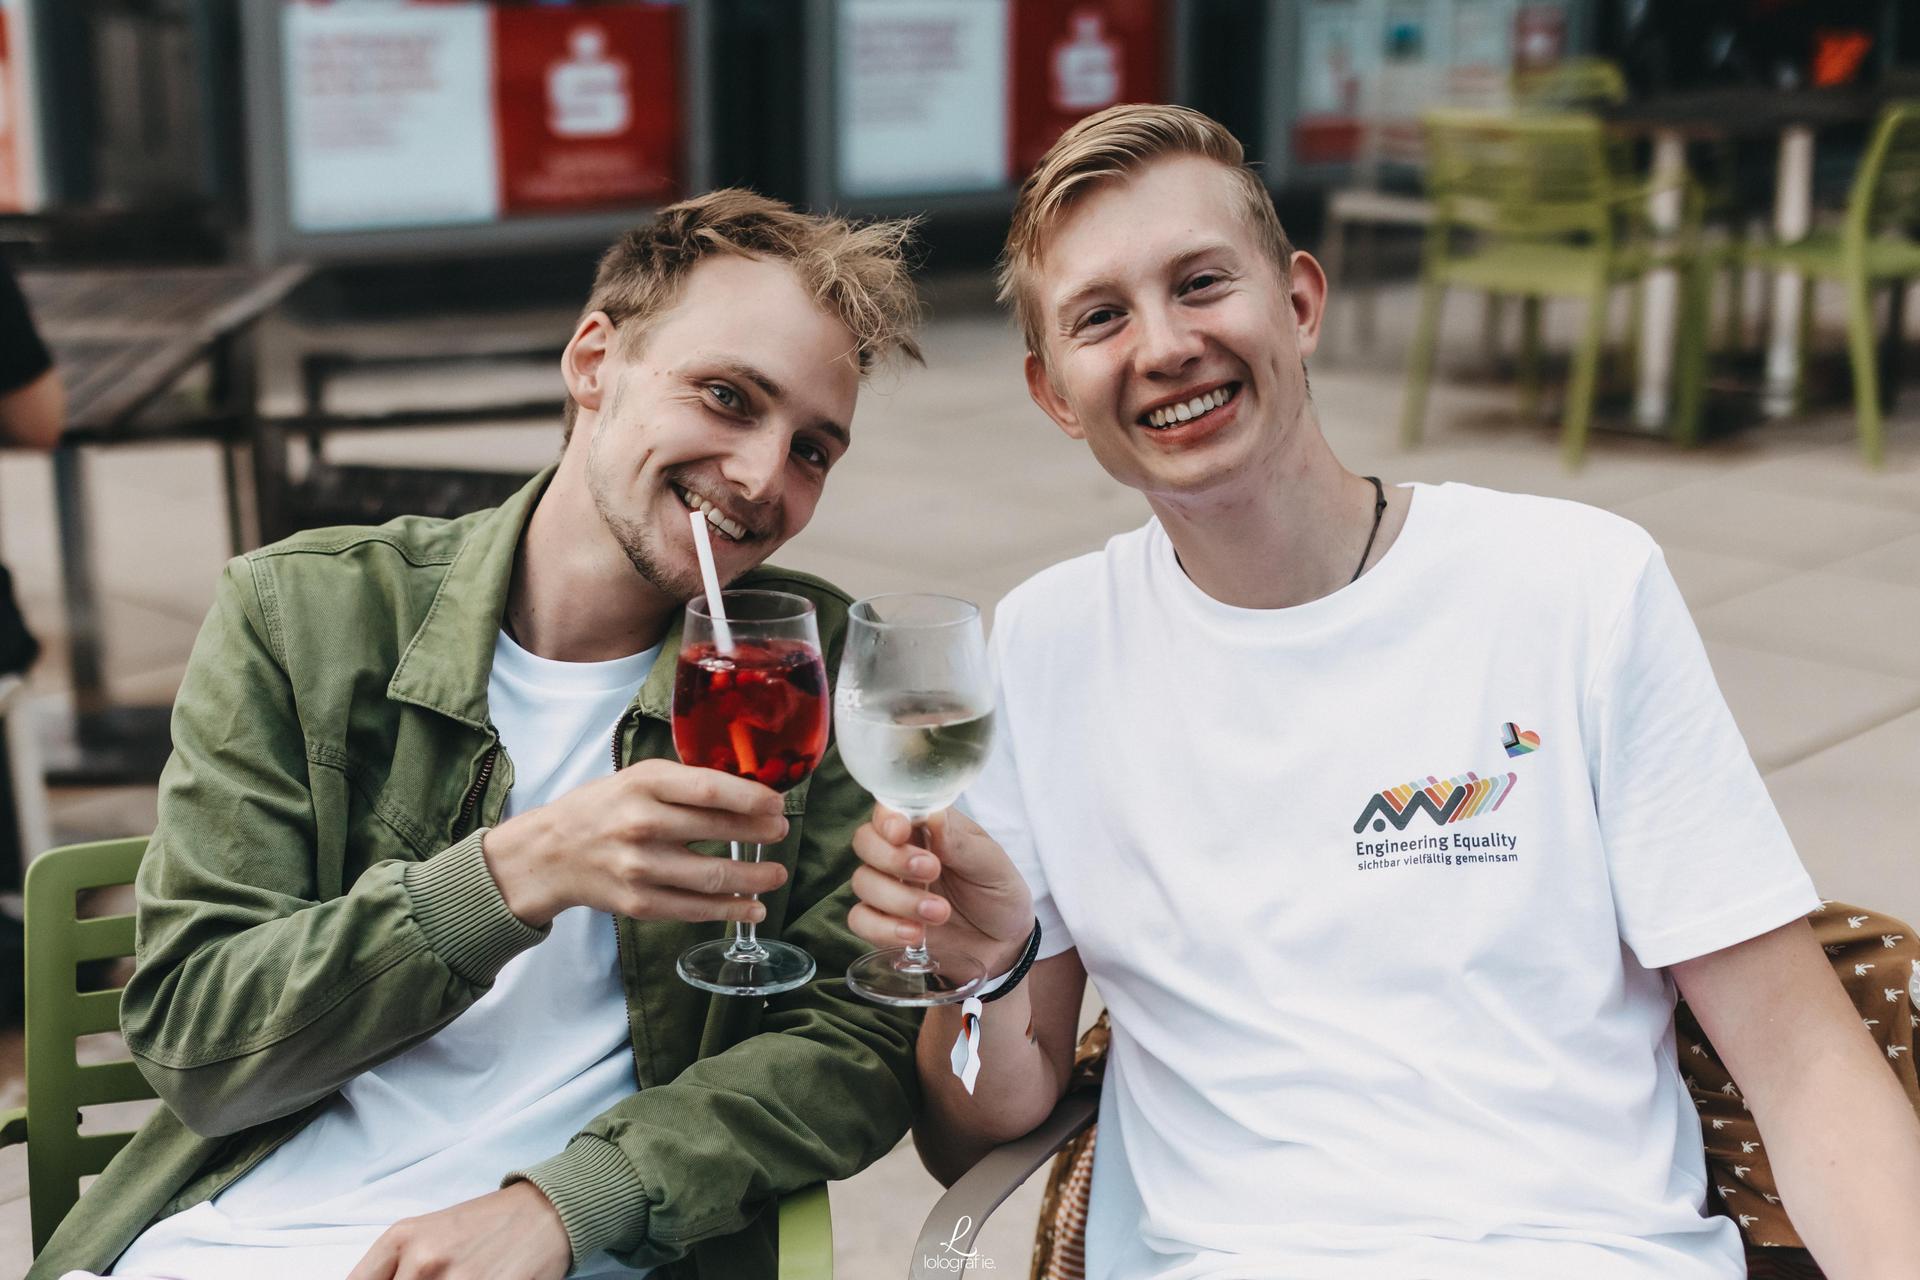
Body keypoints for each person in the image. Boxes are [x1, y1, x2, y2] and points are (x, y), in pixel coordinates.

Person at [846, 104, 1920, 1279]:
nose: (1163, 345)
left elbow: (1807, 1067)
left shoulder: (1576, 585)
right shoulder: (1047, 643)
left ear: (1300, 305)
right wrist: (985, 968)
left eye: (1202, 283)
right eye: (1102, 317)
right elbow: (981, 1129)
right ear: (1055, 393)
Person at [32, 189, 925, 1280]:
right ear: (594, 362)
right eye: (728, 397)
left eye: (812, 451)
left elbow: (856, 1042)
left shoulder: (806, 659)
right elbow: (197, 1042)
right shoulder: (302, 617)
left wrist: (570, 1202)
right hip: (242, 1236)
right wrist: (511, 874)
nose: (760, 478)